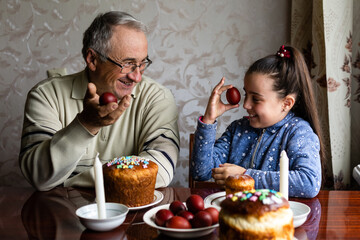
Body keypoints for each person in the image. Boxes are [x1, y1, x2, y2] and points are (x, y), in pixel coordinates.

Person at [19, 11, 179, 191]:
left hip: (131, 216)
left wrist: (70, 181)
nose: (137, 77)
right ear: (92, 59)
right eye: (127, 64)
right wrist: (85, 124)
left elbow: (161, 169)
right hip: (63, 214)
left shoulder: (158, 97)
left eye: (142, 63)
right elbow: (38, 176)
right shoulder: (45, 95)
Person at [191, 45, 324, 198]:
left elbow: (308, 183)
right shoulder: (237, 129)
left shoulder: (299, 132)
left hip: (273, 218)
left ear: (286, 103)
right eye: (245, 94)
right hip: (237, 215)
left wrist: (246, 175)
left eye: (256, 99)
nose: (246, 105)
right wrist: (209, 119)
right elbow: (201, 172)